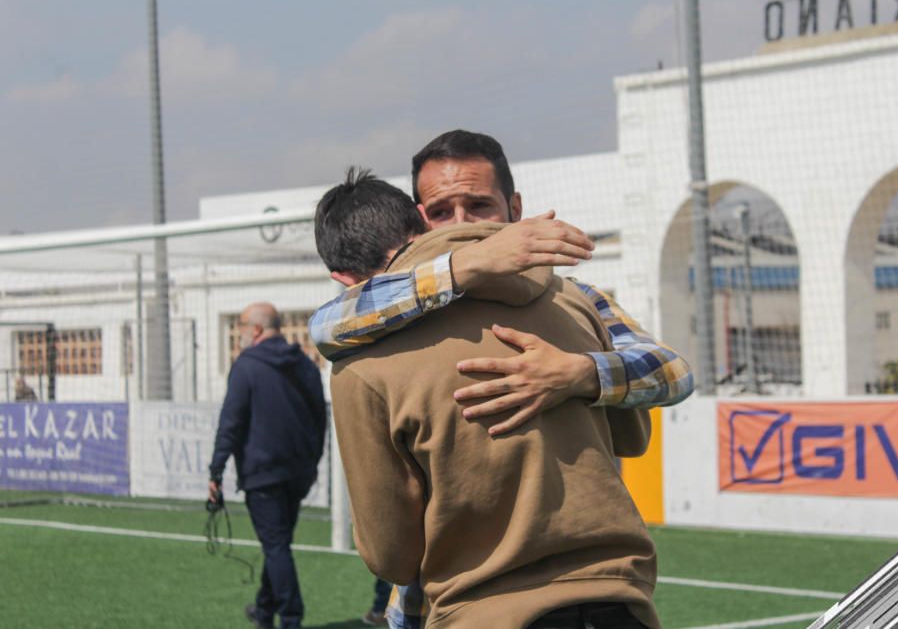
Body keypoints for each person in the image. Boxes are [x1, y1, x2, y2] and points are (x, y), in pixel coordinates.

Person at [317, 170, 660, 629]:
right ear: (419, 226)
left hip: (487, 611)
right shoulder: (572, 301)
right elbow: (634, 436)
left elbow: (393, 556)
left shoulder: (360, 367)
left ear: (343, 279)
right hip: (619, 601)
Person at [310, 129, 692, 433]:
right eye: (443, 212)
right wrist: (467, 265)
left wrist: (581, 373)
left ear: (515, 209)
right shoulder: (404, 300)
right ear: (422, 220)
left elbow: (673, 372)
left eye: (478, 206)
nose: (461, 224)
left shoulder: (574, 296)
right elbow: (326, 326)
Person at [207, 303, 326, 629]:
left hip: (263, 474)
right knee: (279, 544)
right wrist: (313, 461)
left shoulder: (246, 366)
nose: (239, 332)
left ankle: (290, 618)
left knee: (276, 547)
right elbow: (321, 418)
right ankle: (263, 609)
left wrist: (215, 471)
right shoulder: (304, 363)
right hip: (299, 472)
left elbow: (230, 422)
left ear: (256, 330)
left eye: (241, 325)